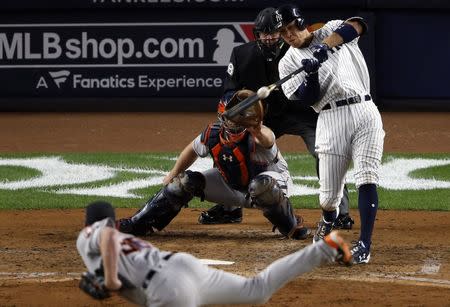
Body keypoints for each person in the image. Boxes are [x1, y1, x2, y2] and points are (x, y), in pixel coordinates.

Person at [198, 7, 354, 230]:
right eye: (265, 33)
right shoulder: (242, 55)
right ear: (257, 35)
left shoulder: (301, 50)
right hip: (264, 118)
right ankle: (229, 209)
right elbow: (229, 92)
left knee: (326, 152)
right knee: (229, 143)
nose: (270, 37)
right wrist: (235, 106)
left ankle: (339, 212)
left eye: (275, 32)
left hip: (302, 113)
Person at [117, 89, 311, 240]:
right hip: (234, 188)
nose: (236, 124)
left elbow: (268, 139)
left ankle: (291, 226)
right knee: (184, 182)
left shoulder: (258, 135)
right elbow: (191, 150)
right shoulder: (213, 133)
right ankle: (139, 223)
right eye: (233, 119)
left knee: (260, 187)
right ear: (223, 116)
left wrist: (257, 130)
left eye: (240, 119)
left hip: (273, 185)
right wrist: (173, 174)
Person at [77, 200, 352, 306]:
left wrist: (112, 281)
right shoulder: (121, 242)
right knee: (256, 290)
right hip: (183, 267)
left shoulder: (92, 234)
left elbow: (108, 236)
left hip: (168, 288)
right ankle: (323, 249)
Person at [275, 4, 385, 264]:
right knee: (328, 198)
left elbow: (357, 25)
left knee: (367, 176)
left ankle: (364, 246)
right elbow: (306, 98)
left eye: (291, 27)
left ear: (301, 22)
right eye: (283, 32)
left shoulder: (331, 29)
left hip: (365, 110)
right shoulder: (287, 63)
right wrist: (310, 74)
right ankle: (327, 220)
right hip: (330, 117)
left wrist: (325, 46)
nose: (289, 35)